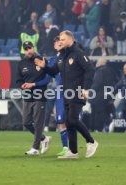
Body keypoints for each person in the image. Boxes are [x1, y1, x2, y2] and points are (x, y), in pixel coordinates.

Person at [35, 30, 98, 159]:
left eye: (63, 40)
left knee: (73, 119)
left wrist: (86, 89)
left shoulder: (78, 54)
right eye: (60, 40)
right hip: (66, 93)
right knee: (68, 122)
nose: (60, 42)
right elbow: (53, 72)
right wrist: (44, 66)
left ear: (70, 40)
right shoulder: (62, 56)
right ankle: (73, 152)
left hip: (77, 92)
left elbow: (90, 70)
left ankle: (91, 141)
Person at [25, 36, 69, 156]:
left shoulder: (70, 56)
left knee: (74, 121)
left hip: (73, 91)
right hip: (60, 91)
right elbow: (46, 80)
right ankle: (66, 148)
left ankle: (88, 141)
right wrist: (33, 84)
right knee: (61, 121)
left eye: (59, 42)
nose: (57, 44)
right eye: (56, 42)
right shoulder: (53, 60)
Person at [17, 41, 52, 156]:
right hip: (27, 96)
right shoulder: (21, 63)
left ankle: (35, 148)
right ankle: (43, 139)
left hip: (40, 95)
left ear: (33, 48)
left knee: (38, 123)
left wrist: (33, 85)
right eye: (26, 49)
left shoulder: (42, 60)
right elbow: (18, 79)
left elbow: (47, 79)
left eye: (30, 48)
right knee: (26, 122)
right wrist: (22, 85)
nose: (28, 50)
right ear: (24, 50)